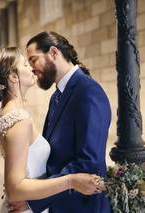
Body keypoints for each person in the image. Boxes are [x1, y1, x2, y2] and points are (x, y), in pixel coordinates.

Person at [0, 47, 104, 213]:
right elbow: (14, 188)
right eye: (24, 64)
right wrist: (70, 181)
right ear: (13, 77)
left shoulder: (6, 113)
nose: (31, 68)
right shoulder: (19, 120)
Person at [11, 31, 112, 213]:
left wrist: (35, 201)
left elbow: (89, 162)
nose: (32, 68)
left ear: (54, 53)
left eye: (33, 59)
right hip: (62, 203)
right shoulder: (57, 96)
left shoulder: (87, 91)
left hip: (82, 205)